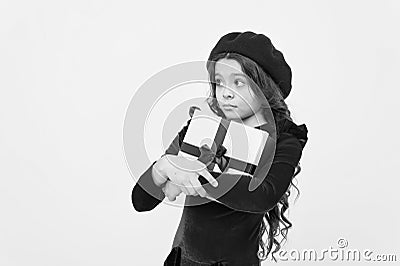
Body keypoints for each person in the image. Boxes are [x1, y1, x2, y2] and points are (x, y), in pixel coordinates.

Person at [131, 31, 309, 266]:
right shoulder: (201, 127)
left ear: (264, 87)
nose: (225, 93)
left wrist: (189, 176)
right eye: (218, 82)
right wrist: (161, 169)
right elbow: (141, 201)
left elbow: (263, 195)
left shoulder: (285, 140)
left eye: (238, 82)